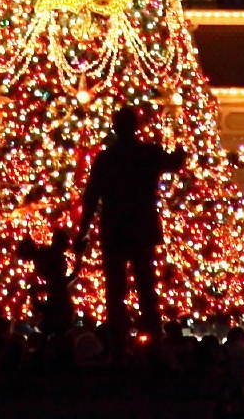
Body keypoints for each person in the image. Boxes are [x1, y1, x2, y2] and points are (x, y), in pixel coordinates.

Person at [74, 104, 186, 341]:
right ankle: (153, 337)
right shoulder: (149, 153)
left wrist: (83, 231)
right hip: (141, 229)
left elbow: (91, 197)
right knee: (146, 287)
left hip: (114, 230)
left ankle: (118, 339)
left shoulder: (107, 158)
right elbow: (176, 162)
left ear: (115, 128)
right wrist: (180, 136)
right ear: (136, 127)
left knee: (115, 291)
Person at [18, 228, 77, 336]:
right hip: (58, 299)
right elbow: (56, 283)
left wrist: (38, 290)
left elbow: (57, 284)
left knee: (55, 328)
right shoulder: (44, 255)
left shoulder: (46, 256)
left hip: (59, 301)